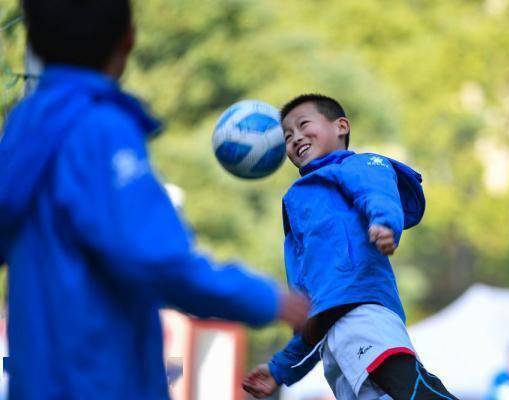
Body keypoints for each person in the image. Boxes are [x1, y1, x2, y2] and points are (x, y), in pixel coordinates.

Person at [0, 0, 308, 398]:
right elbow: (157, 261)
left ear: (31, 41)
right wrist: (270, 299)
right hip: (101, 382)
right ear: (128, 39)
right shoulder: (100, 129)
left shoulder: (23, 128)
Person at [243, 94, 457, 399]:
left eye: (304, 125)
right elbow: (316, 308)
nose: (296, 138)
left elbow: (378, 191)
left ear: (341, 126)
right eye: (287, 136)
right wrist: (279, 370)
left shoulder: (357, 164)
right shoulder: (296, 199)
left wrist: (383, 223)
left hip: (363, 314)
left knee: (414, 392)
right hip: (333, 344)